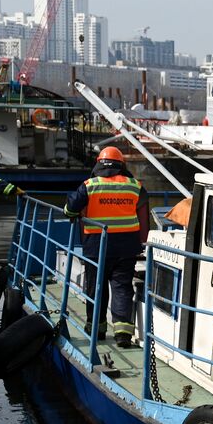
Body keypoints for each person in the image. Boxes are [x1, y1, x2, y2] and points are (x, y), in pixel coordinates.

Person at [65, 147, 149, 346]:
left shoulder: (90, 185)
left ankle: (97, 329)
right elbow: (144, 218)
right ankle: (123, 334)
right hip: (127, 247)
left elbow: (70, 209)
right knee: (122, 288)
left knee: (96, 289)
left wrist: (71, 212)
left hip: (96, 247)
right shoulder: (135, 186)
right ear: (122, 165)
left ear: (98, 164)